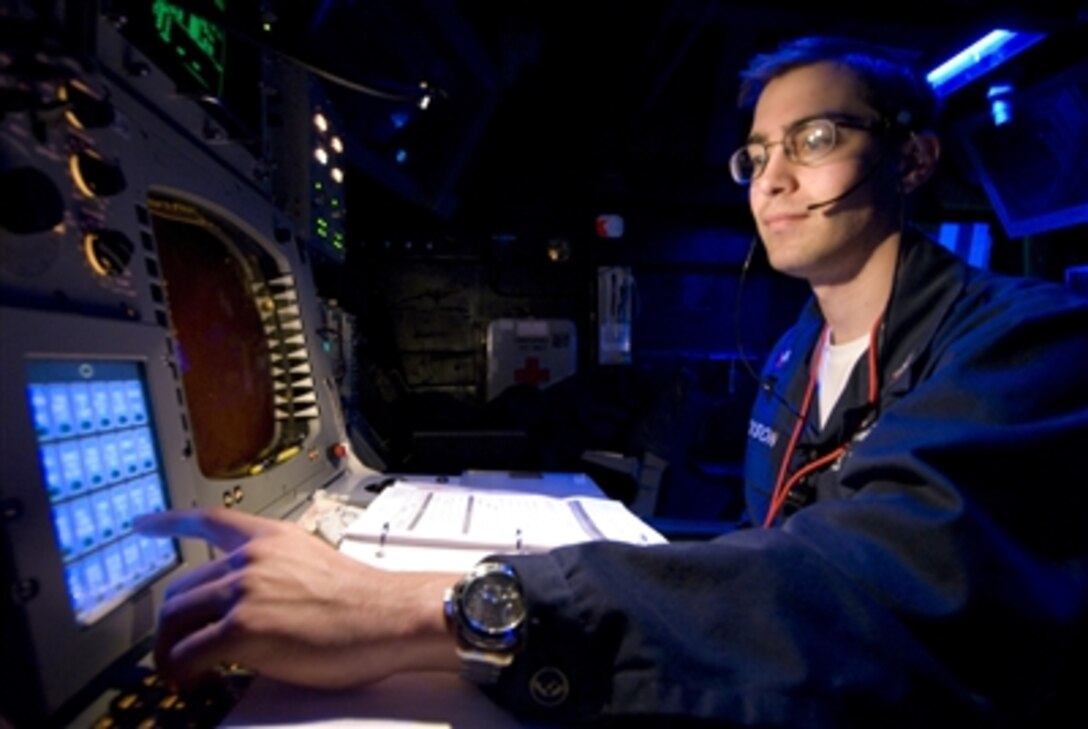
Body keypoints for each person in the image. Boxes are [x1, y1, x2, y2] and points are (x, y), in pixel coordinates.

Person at [136, 35, 1088, 726]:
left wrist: (414, 607)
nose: (772, 181)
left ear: (914, 156)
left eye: (814, 139)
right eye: (756, 155)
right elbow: (779, 566)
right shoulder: (799, 351)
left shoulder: (1029, 344)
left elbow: (866, 597)